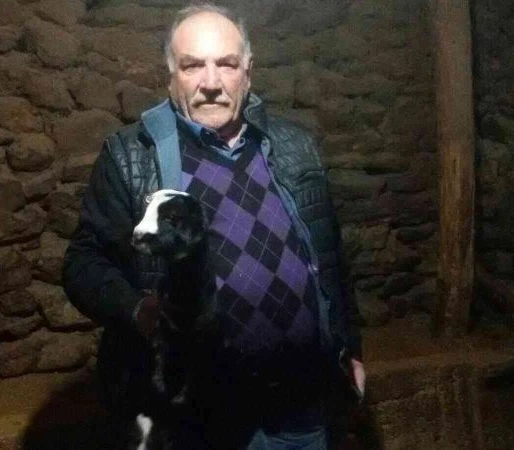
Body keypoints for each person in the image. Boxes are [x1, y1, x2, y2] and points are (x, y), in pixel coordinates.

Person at [63, 4, 365, 449]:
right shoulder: (131, 158)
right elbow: (82, 263)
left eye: (226, 64)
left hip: (300, 409)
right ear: (171, 76)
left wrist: (350, 347)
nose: (210, 82)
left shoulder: (294, 147)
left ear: (247, 73)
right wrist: (137, 309)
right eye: (192, 66)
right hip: (195, 421)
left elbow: (330, 257)